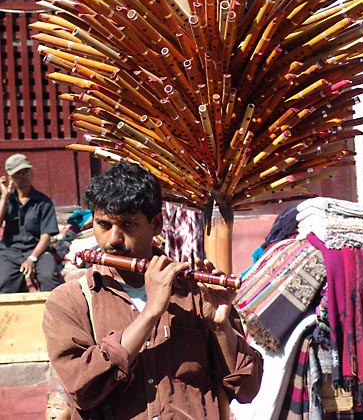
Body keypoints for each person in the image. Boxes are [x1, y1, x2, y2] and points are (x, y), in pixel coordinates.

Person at [43, 160, 263, 420]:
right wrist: (150, 313)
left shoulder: (196, 293)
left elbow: (247, 389)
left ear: (156, 224)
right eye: (104, 225)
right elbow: (83, 389)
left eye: (128, 225)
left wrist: (220, 327)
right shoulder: (70, 301)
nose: (113, 239)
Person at [0, 153, 61, 292]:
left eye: (26, 171)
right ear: (10, 177)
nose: (23, 177)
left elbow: (46, 236)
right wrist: (4, 197)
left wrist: (32, 258)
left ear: (31, 172)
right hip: (9, 252)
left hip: (38, 251)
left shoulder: (43, 202)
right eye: (18, 174)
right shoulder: (6, 201)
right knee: (4, 281)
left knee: (49, 278)